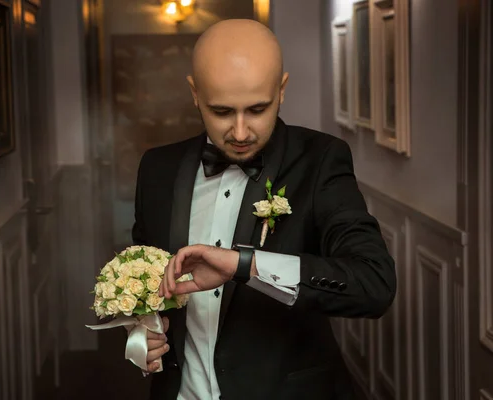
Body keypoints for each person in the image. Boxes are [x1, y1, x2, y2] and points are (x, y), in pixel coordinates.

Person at [131, 19, 396, 400]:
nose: (240, 132)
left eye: (257, 109)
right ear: (194, 93)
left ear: (282, 90)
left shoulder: (321, 161)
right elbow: (146, 277)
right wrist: (142, 328)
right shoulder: (157, 169)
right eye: (221, 111)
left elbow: (374, 285)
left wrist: (246, 265)